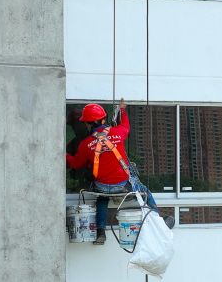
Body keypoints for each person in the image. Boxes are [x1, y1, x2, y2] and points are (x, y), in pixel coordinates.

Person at [66, 101, 159, 245]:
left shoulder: (85, 144)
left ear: (90, 124)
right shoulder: (118, 133)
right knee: (145, 191)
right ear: (103, 120)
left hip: (102, 187)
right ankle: (159, 222)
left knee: (103, 198)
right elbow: (126, 127)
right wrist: (123, 110)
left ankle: (100, 232)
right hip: (123, 185)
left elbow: (76, 163)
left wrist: (63, 153)